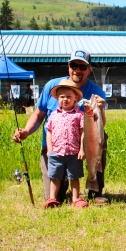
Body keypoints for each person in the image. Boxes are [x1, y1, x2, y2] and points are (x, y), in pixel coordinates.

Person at [12, 49, 108, 205]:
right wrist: (26, 131)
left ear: (89, 70)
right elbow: (38, 115)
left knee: (102, 136)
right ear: (68, 66)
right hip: (54, 148)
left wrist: (101, 109)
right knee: (56, 197)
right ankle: (62, 189)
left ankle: (95, 190)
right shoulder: (52, 86)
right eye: (74, 65)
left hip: (79, 146)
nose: (77, 70)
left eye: (82, 67)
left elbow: (101, 125)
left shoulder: (96, 93)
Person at [43, 79, 88, 208]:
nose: (65, 99)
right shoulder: (53, 115)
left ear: (75, 98)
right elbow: (49, 132)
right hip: (56, 152)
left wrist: (82, 149)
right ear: (57, 98)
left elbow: (83, 133)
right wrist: (49, 148)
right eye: (62, 97)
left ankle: (76, 198)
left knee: (74, 177)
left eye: (69, 97)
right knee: (55, 176)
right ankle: (52, 198)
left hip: (73, 152)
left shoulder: (79, 115)